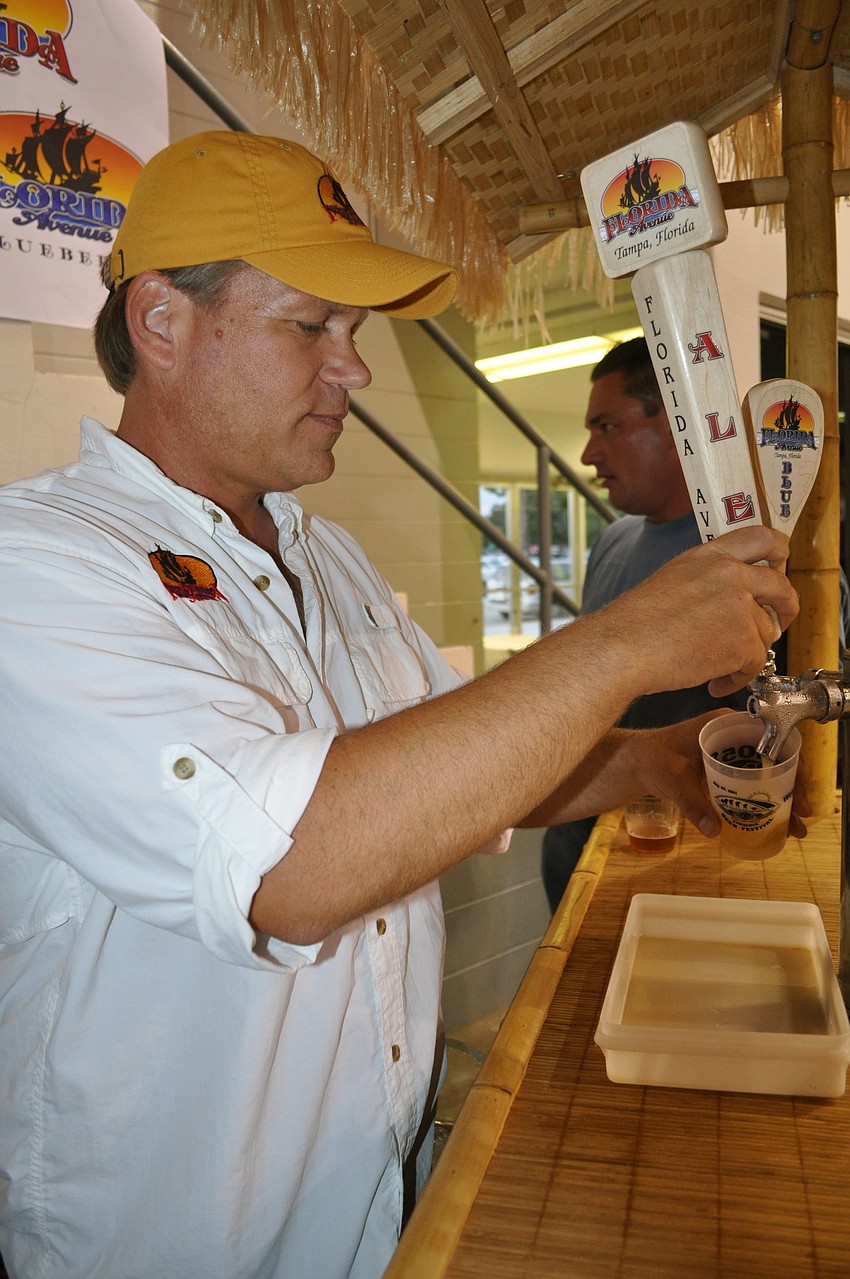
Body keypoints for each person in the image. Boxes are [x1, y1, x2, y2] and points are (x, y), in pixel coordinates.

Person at [0, 132, 800, 1279]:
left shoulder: (328, 562)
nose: (353, 369)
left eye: (355, 332)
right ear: (163, 322)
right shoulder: (37, 567)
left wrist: (648, 759)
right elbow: (292, 866)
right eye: (309, 327)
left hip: (372, 1203)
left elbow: (464, 767)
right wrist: (627, 641)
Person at [541, 337, 749, 910]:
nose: (587, 454)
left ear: (679, 421)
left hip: (680, 865)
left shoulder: (749, 558)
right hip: (576, 846)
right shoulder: (613, 540)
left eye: (607, 426)